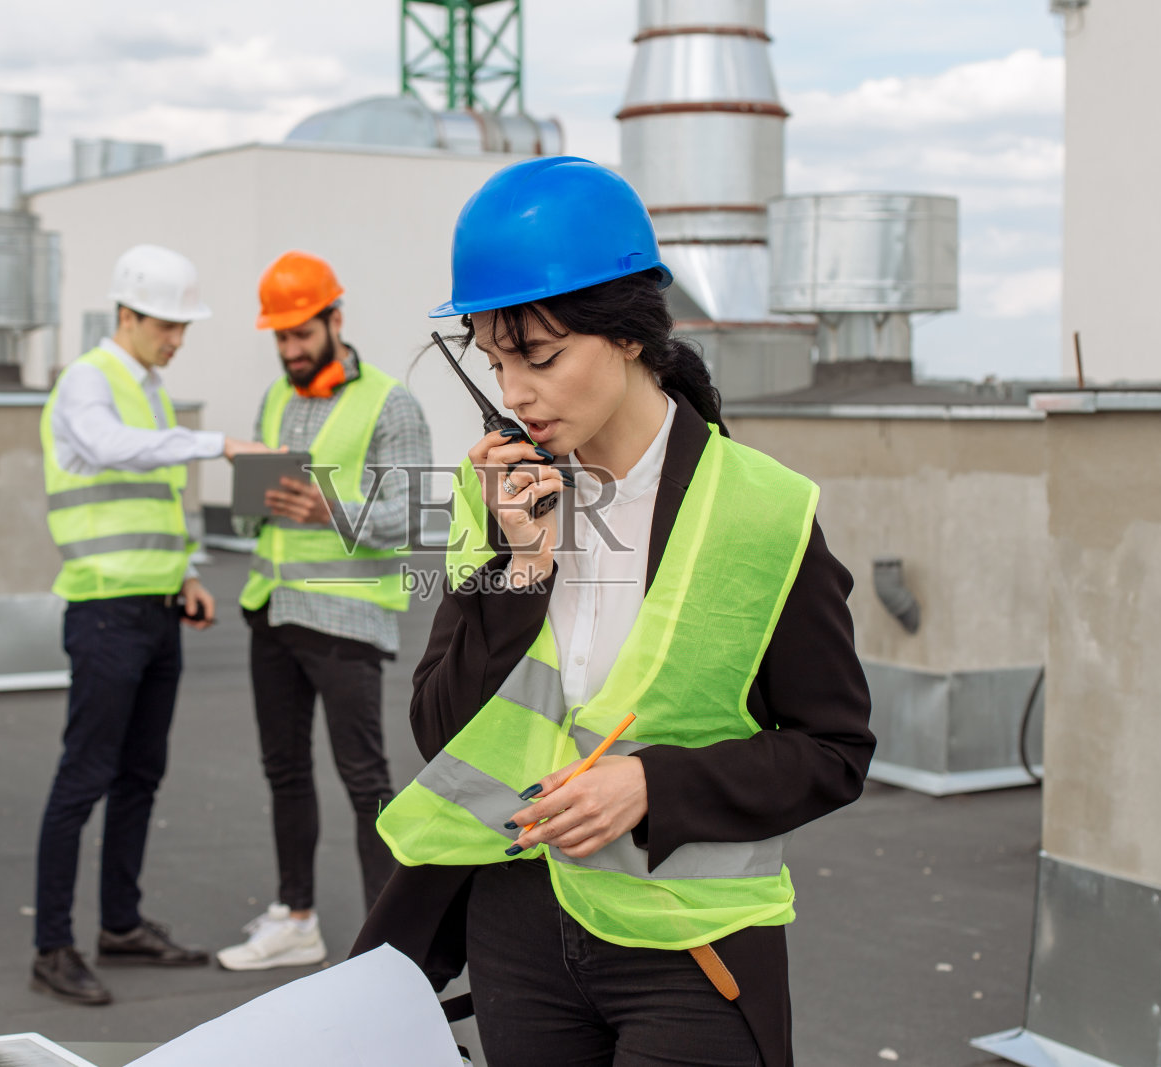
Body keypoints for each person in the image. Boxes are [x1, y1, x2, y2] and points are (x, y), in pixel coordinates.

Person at [354, 158, 876, 1066]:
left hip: (691, 945)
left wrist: (652, 787)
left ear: (630, 333)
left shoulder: (761, 509)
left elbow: (835, 751)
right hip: (516, 927)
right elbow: (443, 732)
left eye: (540, 357)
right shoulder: (503, 491)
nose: (514, 393)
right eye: (495, 360)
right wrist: (523, 567)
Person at [32, 243, 264, 1005]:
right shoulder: (86, 384)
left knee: (140, 775)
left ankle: (121, 924)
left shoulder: (151, 389)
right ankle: (52, 945)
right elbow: (108, 450)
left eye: (183, 325)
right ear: (126, 316)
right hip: (103, 611)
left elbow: (159, 495)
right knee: (84, 777)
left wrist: (189, 571)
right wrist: (220, 443)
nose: (178, 338)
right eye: (168, 324)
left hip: (157, 607)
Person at [215, 251, 433, 972]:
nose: (289, 350)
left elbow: (411, 516)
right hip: (272, 611)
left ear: (335, 320)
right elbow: (255, 517)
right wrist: (256, 497)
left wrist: (327, 506)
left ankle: (386, 949)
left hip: (346, 622)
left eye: (300, 334)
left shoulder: (391, 403)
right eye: (279, 337)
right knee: (285, 771)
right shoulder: (277, 398)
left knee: (365, 779)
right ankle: (296, 916)